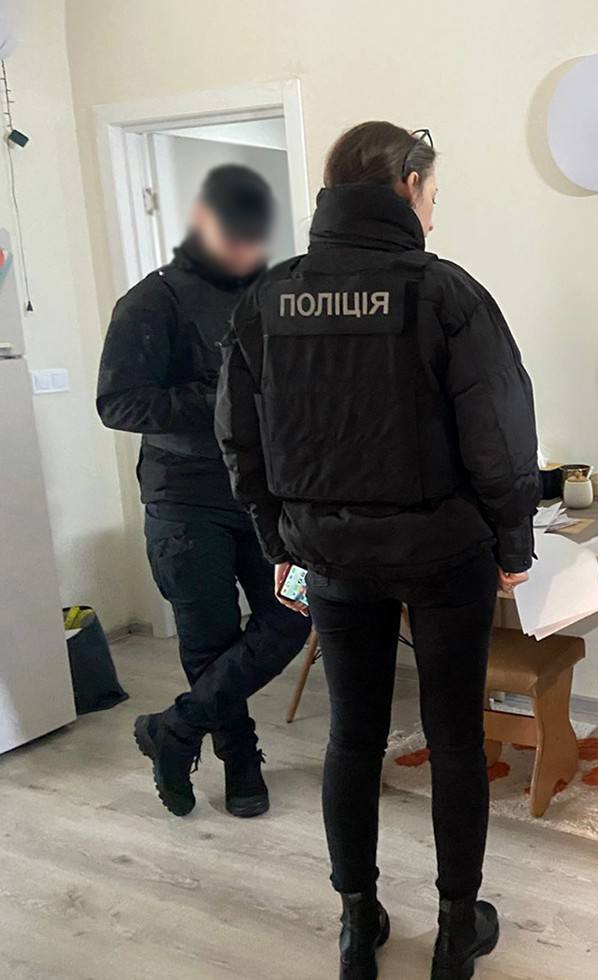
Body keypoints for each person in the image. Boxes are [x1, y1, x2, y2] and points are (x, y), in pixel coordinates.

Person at [215, 121, 540, 980]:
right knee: (455, 738)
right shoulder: (446, 293)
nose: (434, 215)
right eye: (432, 196)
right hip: (444, 554)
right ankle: (456, 931)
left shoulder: (268, 298)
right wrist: (514, 538)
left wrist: (279, 540)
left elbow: (239, 440)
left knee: (352, 739)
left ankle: (358, 924)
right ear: (407, 187)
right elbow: (501, 436)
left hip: (331, 557)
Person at [97, 165, 311, 820]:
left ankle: (176, 727)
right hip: (185, 499)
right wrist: (220, 398)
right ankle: (241, 762)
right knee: (209, 640)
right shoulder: (149, 301)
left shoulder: (269, 296)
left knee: (298, 611)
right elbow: (117, 402)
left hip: (265, 494)